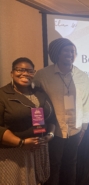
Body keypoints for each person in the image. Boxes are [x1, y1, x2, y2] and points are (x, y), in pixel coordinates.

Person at [34, 38, 89, 185]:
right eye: (66, 50)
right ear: (56, 53)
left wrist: (84, 127)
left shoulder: (82, 76)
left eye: (73, 51)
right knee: (53, 166)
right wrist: (38, 129)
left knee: (71, 164)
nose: (70, 53)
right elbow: (34, 103)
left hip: (75, 129)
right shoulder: (42, 75)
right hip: (53, 130)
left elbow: (86, 102)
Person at [0, 57, 56, 185]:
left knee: (38, 181)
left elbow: (51, 117)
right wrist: (21, 143)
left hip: (39, 150)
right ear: (12, 73)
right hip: (15, 153)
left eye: (30, 71)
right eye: (20, 70)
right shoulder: (3, 95)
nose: (25, 74)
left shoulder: (40, 93)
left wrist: (50, 135)